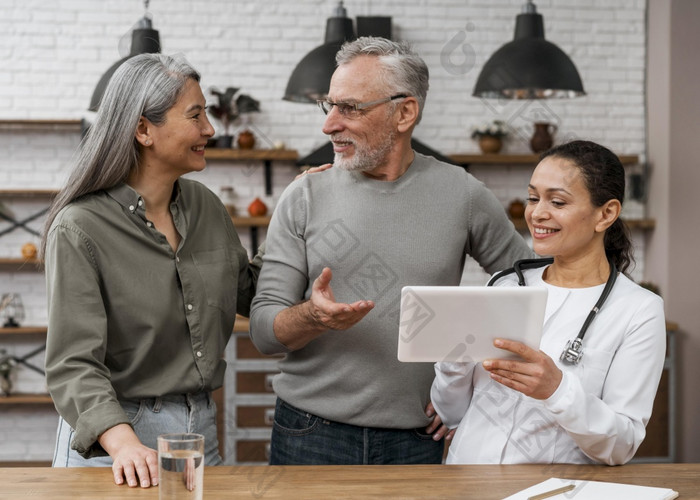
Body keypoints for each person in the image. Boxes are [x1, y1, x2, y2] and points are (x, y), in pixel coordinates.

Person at [248, 36, 533, 465]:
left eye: (351, 108)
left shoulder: (464, 195)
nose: (329, 126)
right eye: (330, 107)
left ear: (404, 112)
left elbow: (529, 289)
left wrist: (467, 386)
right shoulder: (304, 195)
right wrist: (313, 315)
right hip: (310, 434)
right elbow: (264, 332)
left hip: (417, 438)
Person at [42, 53, 261, 488]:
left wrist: (303, 212)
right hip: (114, 442)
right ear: (143, 129)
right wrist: (123, 443)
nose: (210, 130)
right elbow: (72, 363)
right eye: (195, 115)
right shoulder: (80, 227)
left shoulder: (206, 207)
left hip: (198, 430)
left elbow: (250, 293)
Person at [431, 140, 667, 465]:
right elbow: (453, 414)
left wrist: (557, 390)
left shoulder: (638, 310)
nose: (537, 213)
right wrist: (452, 363)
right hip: (465, 480)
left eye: (557, 201)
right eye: (532, 198)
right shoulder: (503, 285)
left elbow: (620, 445)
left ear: (606, 213)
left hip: (551, 490)